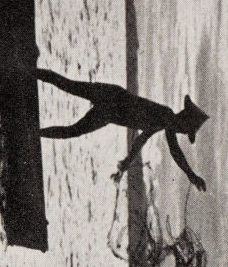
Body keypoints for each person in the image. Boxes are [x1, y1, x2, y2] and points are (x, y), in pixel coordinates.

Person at [36, 67, 209, 190]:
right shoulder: (167, 117)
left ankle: (32, 76)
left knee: (69, 89)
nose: (182, 133)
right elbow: (174, 150)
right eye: (186, 130)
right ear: (184, 120)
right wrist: (191, 175)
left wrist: (126, 164)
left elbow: (141, 140)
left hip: (110, 100)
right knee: (71, 118)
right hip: (111, 105)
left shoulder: (163, 120)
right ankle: (36, 129)